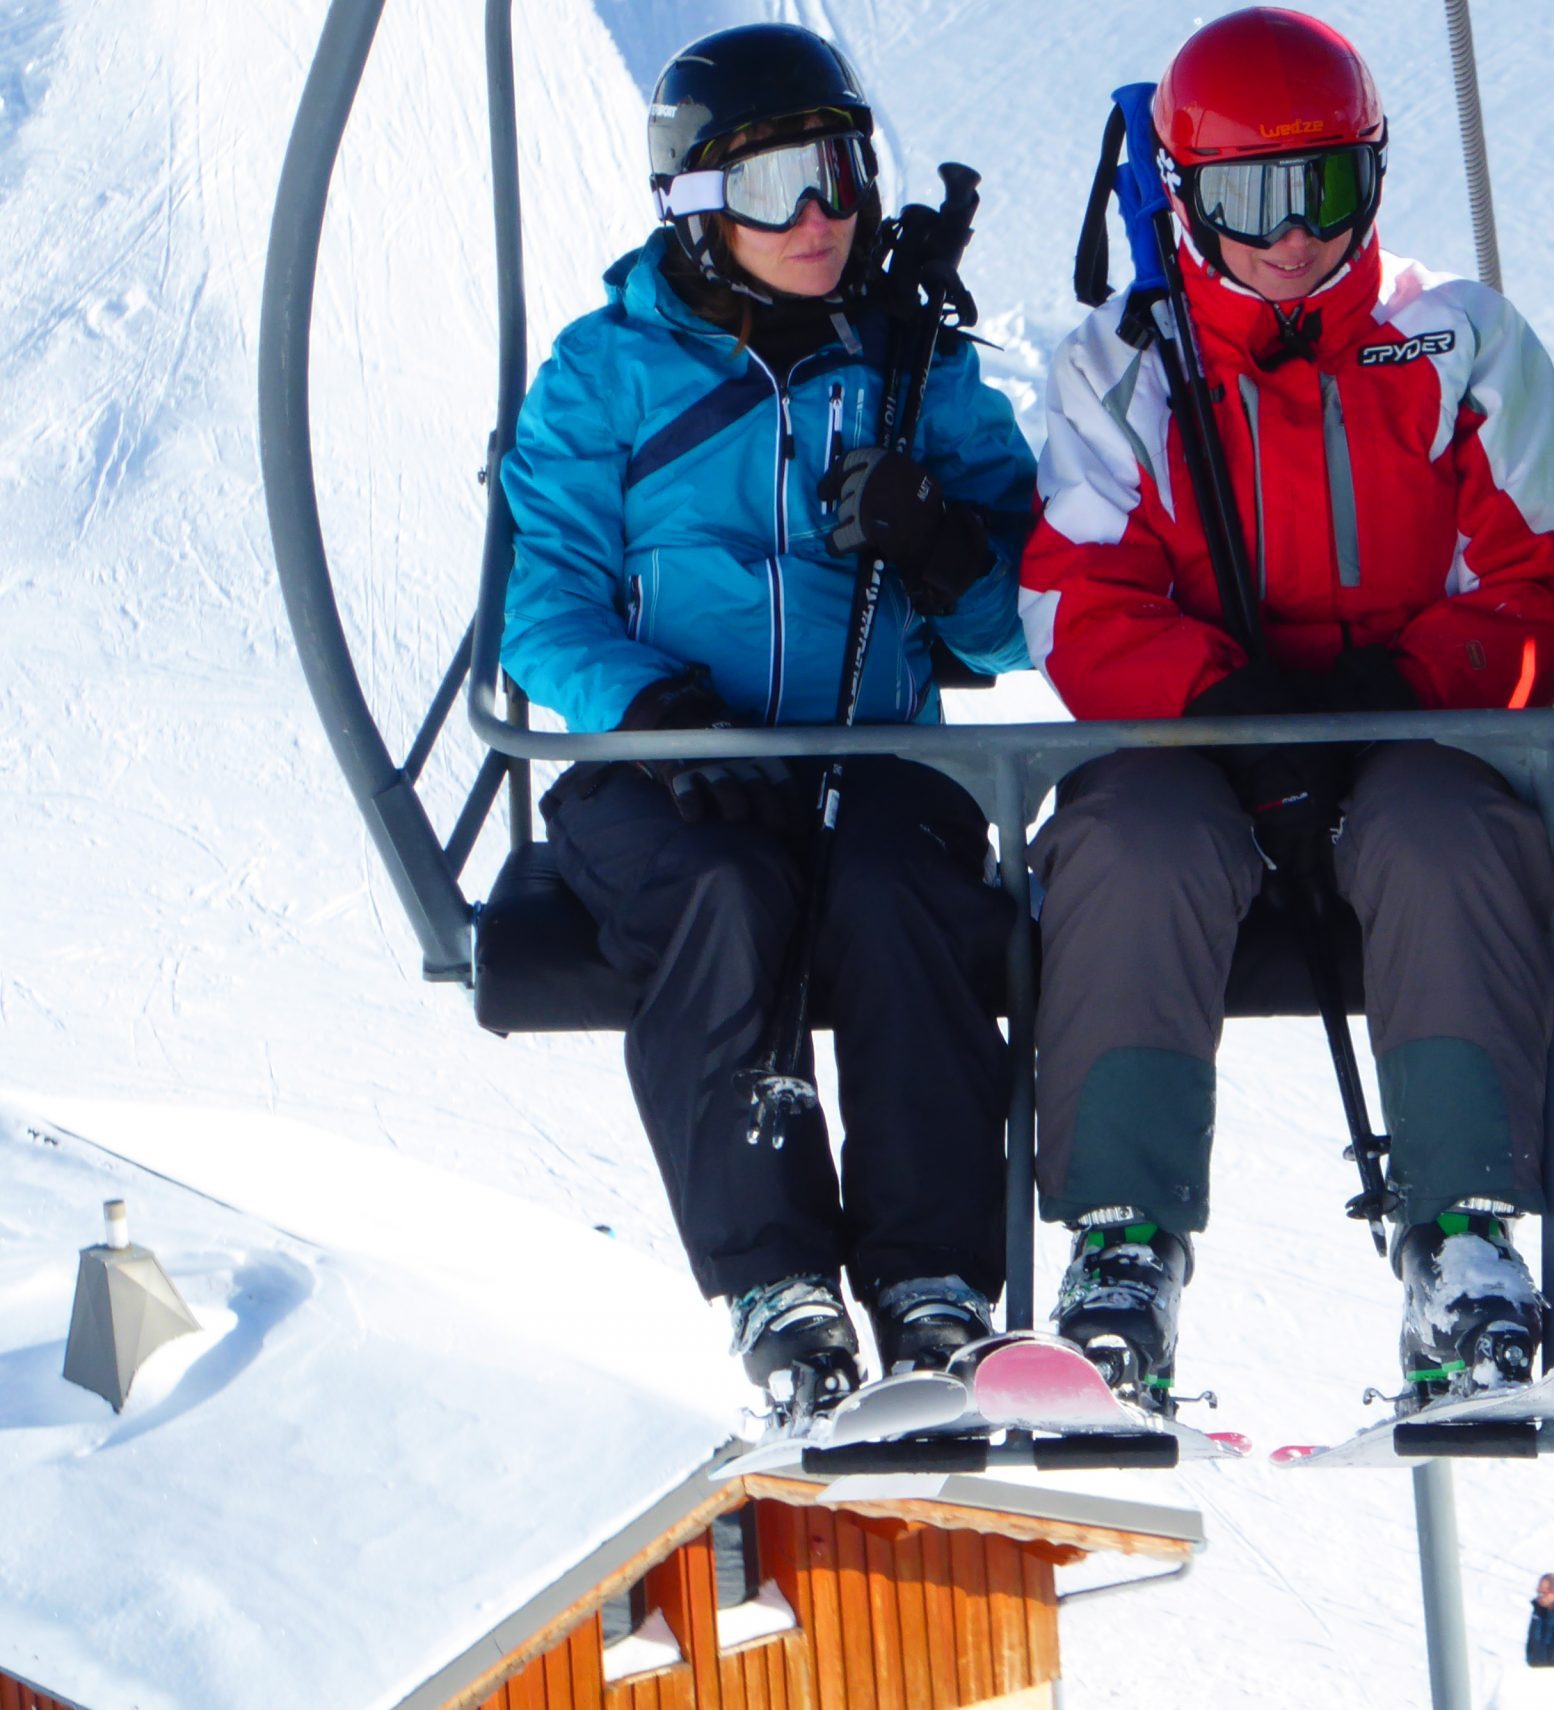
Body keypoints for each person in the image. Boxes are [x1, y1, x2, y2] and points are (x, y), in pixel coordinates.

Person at [1019, 8, 1554, 1412]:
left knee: (1450, 835)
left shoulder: (1451, 341)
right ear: (1186, 197)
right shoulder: (1126, 364)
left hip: (1410, 739)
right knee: (1126, 842)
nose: (1290, 238)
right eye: (1249, 201)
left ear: (1373, 180)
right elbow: (1076, 598)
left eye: (1323, 191)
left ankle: (1464, 1236)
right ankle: (1122, 1245)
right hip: (1202, 749)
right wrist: (1224, 702)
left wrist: (1399, 692)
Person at [499, 23, 1035, 1426]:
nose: (822, 216)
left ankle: (933, 1282)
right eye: (777, 183)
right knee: (727, 895)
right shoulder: (607, 375)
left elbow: (1014, 619)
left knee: (897, 898)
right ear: (693, 206)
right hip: (665, 777)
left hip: (874, 759)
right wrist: (660, 713)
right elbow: (540, 611)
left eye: (842, 173)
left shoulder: (916, 367)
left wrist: (938, 549)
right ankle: (777, 1281)